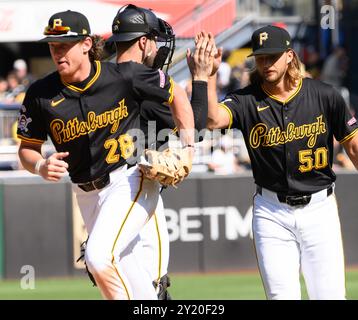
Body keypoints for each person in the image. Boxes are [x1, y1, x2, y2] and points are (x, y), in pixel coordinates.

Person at [17, 10, 198, 300]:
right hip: (86, 194)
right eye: (52, 46)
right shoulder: (40, 94)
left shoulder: (124, 76)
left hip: (129, 180)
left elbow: (175, 94)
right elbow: (27, 149)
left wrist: (188, 149)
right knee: (137, 287)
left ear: (87, 44)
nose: (57, 52)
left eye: (64, 45)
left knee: (99, 257)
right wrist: (39, 165)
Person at [193, 26, 358, 299]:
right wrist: (209, 74)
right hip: (271, 212)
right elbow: (211, 120)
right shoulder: (246, 99)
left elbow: (352, 145)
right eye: (261, 57)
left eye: (273, 56)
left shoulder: (324, 95)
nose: (266, 63)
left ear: (290, 56)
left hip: (319, 209)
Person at [106, 4, 212, 299]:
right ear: (143, 42)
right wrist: (201, 77)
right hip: (135, 195)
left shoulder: (107, 78)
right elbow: (198, 125)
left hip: (109, 198)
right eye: (154, 39)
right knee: (153, 289)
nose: (159, 48)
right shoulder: (138, 82)